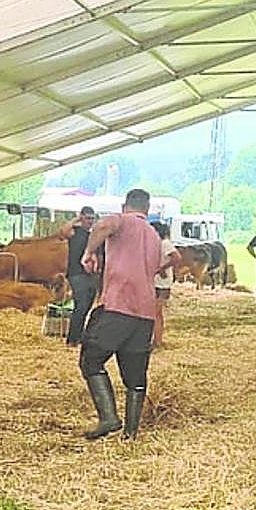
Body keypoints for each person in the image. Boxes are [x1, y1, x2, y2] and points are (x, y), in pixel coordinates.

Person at [78, 189, 162, 441]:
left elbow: (103, 225)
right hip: (145, 312)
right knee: (135, 377)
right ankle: (131, 433)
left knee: (91, 360)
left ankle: (109, 417)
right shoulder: (154, 235)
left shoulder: (123, 221)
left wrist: (89, 252)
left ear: (126, 205)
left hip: (119, 306)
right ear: (147, 208)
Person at [59, 206, 98, 346]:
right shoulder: (76, 232)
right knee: (80, 306)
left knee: (87, 306)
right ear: (82, 217)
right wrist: (76, 219)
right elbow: (63, 232)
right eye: (87, 218)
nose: (90, 221)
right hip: (76, 273)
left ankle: (79, 335)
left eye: (92, 218)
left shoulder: (93, 235)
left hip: (90, 275)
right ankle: (72, 339)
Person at [151, 222, 180, 348]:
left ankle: (157, 341)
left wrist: (162, 268)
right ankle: (156, 339)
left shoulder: (165, 244)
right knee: (155, 312)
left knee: (156, 312)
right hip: (157, 281)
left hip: (161, 282)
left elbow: (177, 257)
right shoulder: (158, 244)